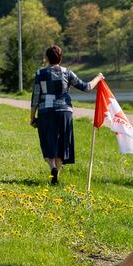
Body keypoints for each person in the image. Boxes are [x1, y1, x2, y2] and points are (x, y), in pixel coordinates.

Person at [30, 45, 103, 185]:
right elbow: (87, 87)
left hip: (46, 112)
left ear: (47, 58)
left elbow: (35, 97)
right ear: (61, 58)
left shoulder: (40, 74)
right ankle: (57, 171)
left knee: (47, 142)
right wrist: (98, 77)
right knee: (62, 143)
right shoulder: (67, 73)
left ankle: (52, 168)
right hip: (64, 112)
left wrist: (32, 117)